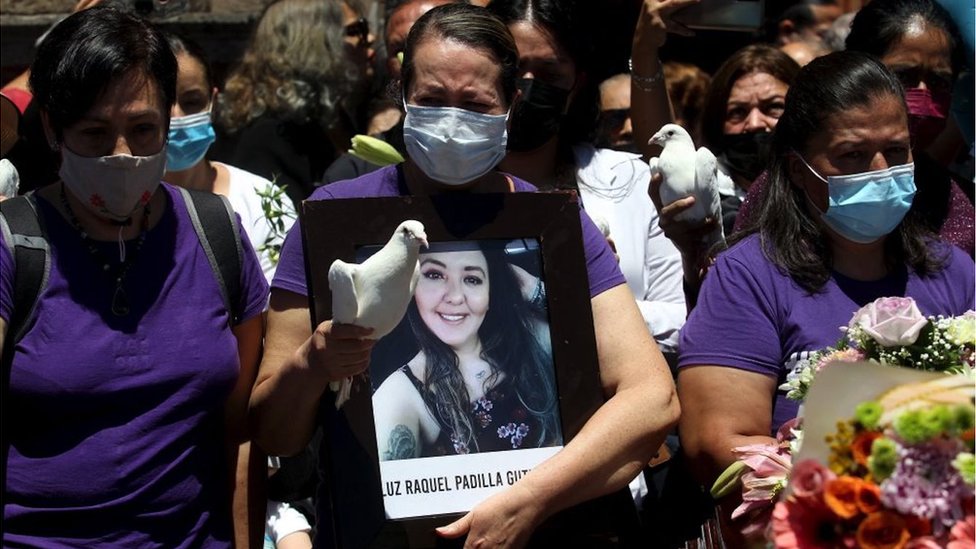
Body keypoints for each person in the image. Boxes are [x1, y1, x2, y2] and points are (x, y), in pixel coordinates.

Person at [249, 4, 678, 547]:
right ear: (401, 94)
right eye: (431, 100)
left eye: (475, 105)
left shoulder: (556, 224)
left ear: (509, 105)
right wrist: (314, 362)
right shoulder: (331, 222)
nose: (452, 121)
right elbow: (274, 432)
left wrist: (525, 505)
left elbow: (652, 398)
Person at [676, 50, 974, 541]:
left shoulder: (954, 271)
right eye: (853, 155)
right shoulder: (748, 276)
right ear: (798, 170)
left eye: (898, 151)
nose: (881, 170)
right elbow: (717, 446)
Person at [0, 6, 269, 547]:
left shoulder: (216, 233)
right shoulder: (13, 246)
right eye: (95, 133)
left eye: (144, 130)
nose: (122, 154)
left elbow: (241, 432)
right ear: (53, 128)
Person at [487, 0, 687, 361]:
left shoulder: (632, 180)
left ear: (575, 85)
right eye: (515, 71)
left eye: (549, 73)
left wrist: (594, 294)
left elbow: (680, 321)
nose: (528, 88)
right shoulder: (444, 190)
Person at [736, 0, 975, 258]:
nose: (923, 97)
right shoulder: (788, 187)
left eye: (939, 80)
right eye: (904, 76)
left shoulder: (958, 203)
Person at [372, 243, 560, 460]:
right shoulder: (401, 393)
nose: (455, 297)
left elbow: (591, 338)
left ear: (490, 292)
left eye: (472, 279)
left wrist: (531, 287)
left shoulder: (527, 335)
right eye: (434, 275)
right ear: (412, 288)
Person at [213, 0, 374, 210]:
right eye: (356, 30)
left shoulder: (332, 115)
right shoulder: (271, 136)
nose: (370, 38)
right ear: (317, 44)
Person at [162, 32, 295, 281]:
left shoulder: (263, 200)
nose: (177, 116)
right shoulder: (118, 205)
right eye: (162, 102)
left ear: (213, 101)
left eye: (191, 101)